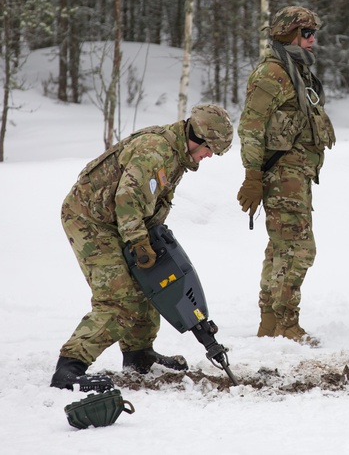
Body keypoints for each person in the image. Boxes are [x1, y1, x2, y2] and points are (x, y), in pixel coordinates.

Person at [51, 104, 234, 391]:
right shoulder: (155, 151)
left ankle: (139, 355)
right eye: (211, 148)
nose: (210, 155)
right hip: (91, 220)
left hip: (120, 220)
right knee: (119, 297)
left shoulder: (176, 154)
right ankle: (70, 367)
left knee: (151, 284)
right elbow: (127, 200)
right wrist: (138, 243)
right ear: (197, 137)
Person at [237, 5, 336, 346]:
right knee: (298, 249)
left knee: (280, 249)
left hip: (296, 174)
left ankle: (270, 322)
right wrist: (252, 176)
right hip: (282, 175)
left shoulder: (296, 71)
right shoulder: (273, 74)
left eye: (313, 34)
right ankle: (286, 323)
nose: (312, 40)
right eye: (306, 34)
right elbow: (250, 128)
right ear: (288, 36)